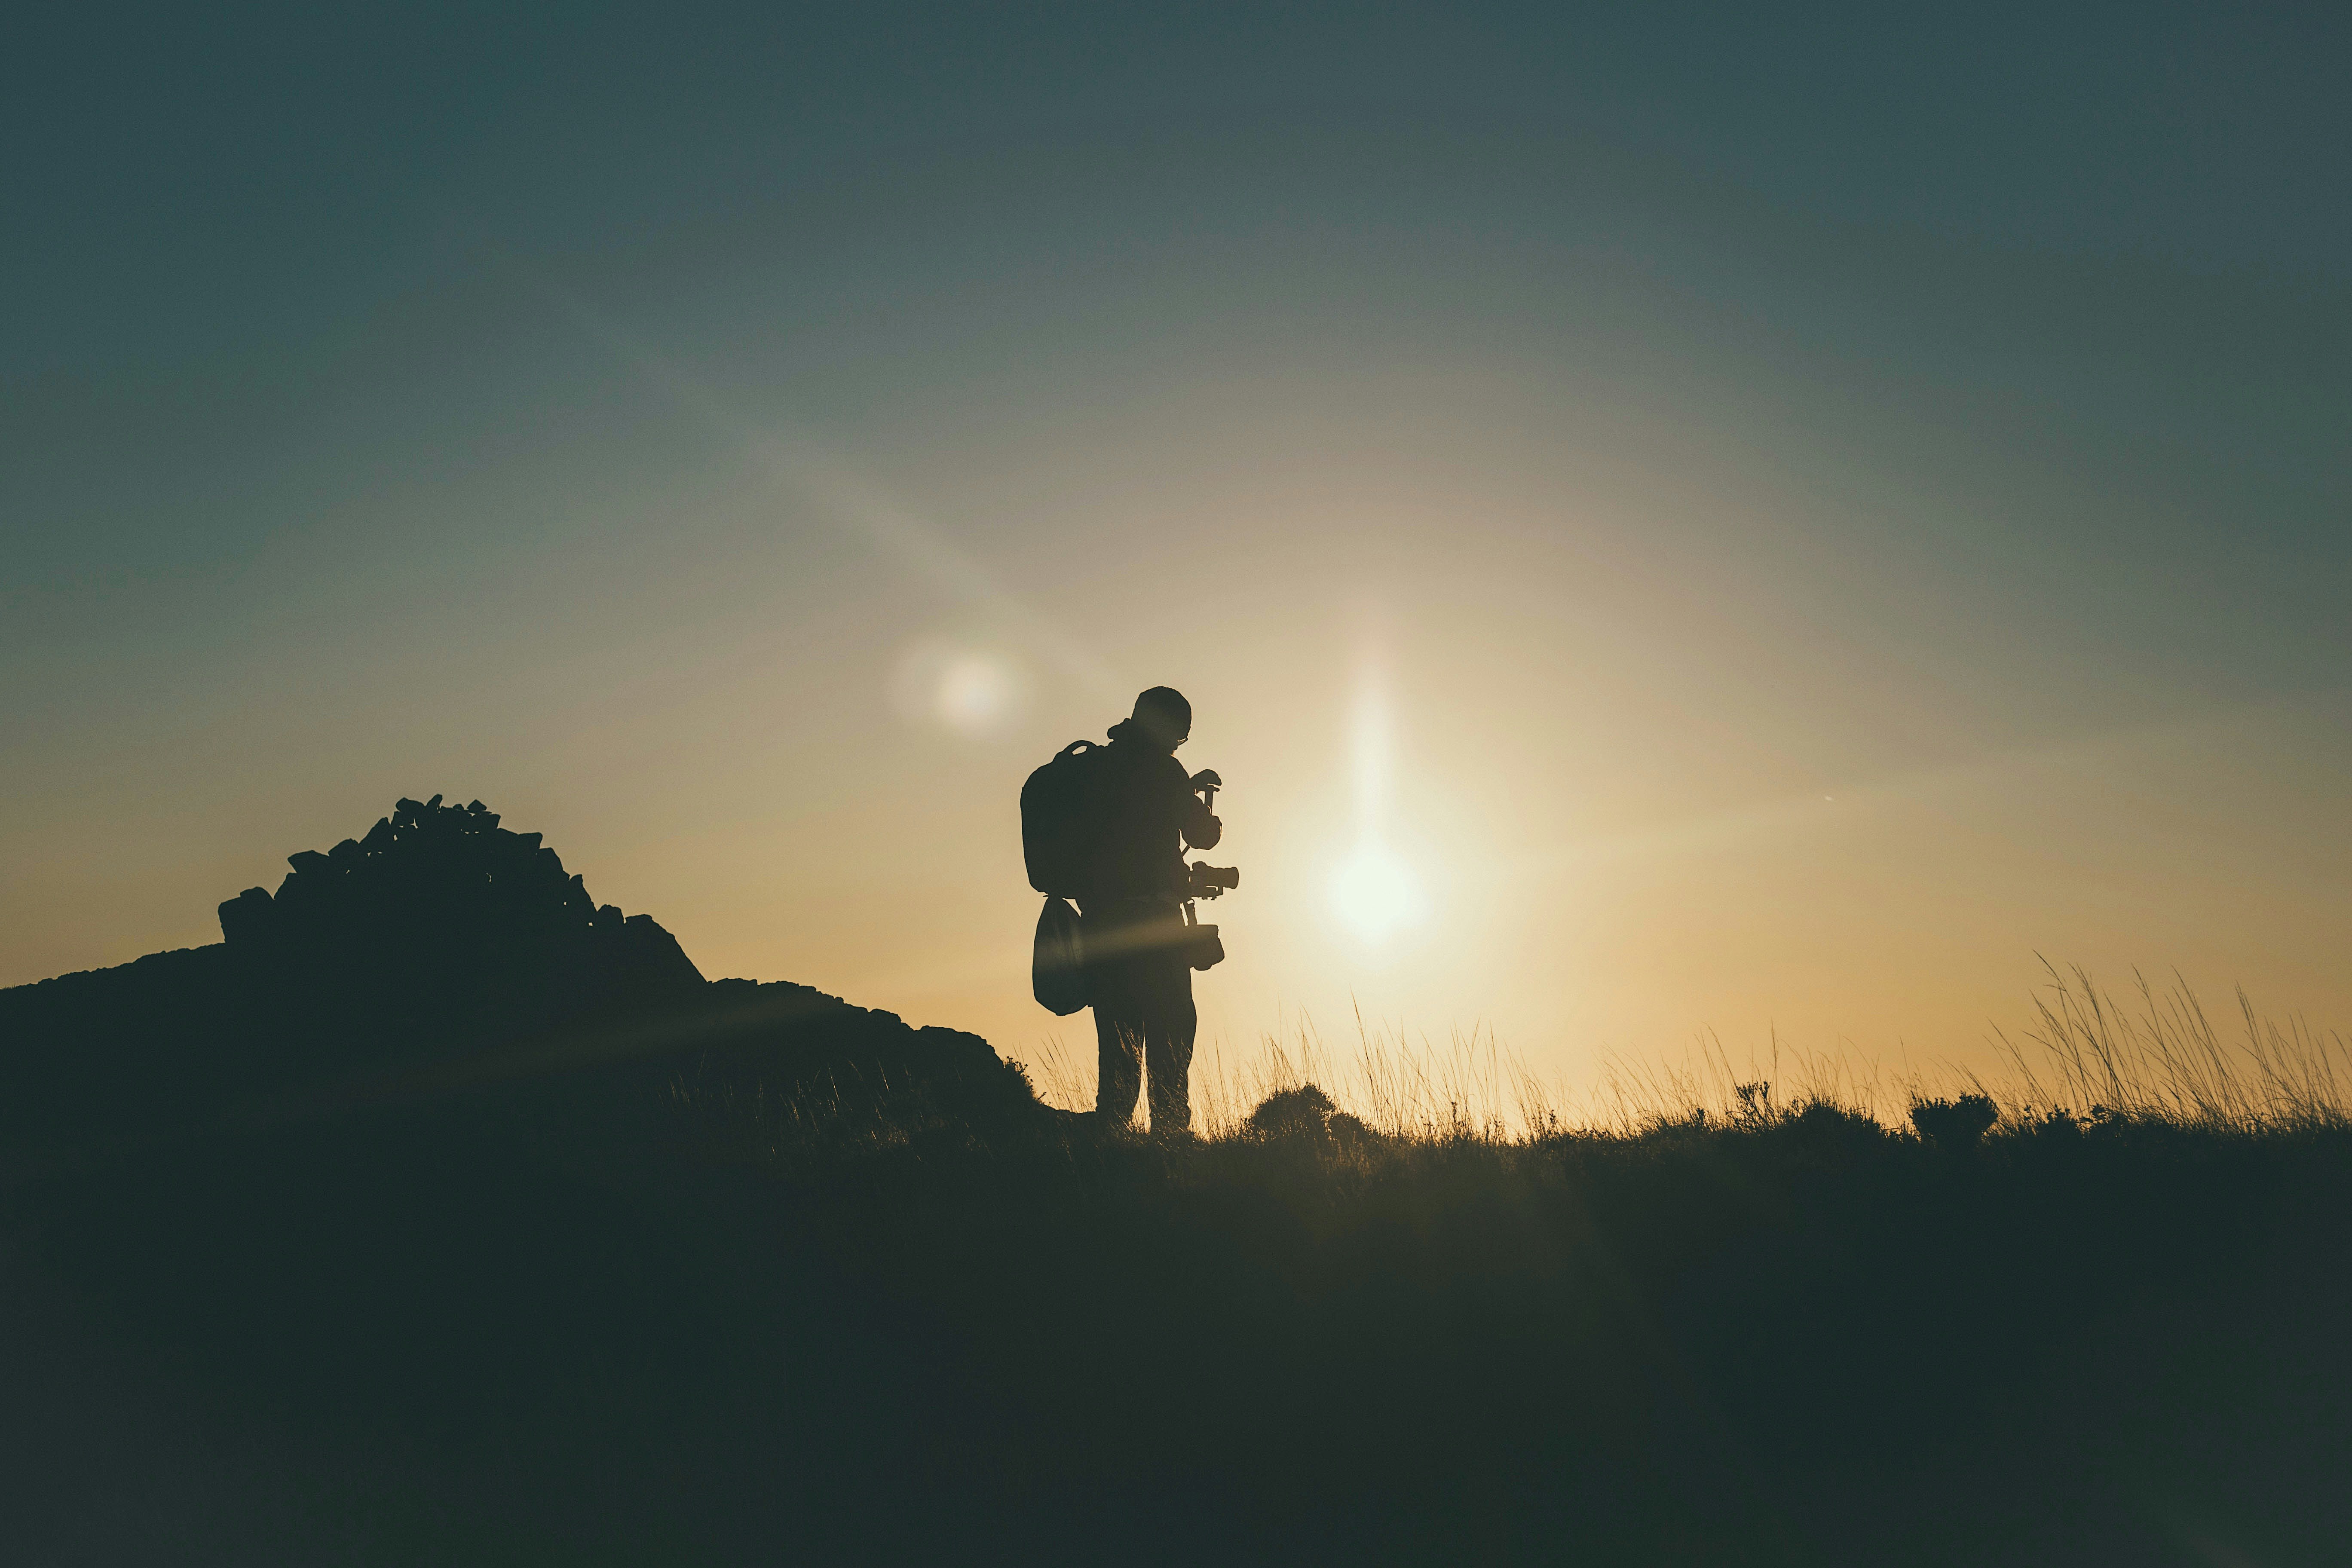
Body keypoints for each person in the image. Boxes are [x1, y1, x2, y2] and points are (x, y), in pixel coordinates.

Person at [1076, 686, 1221, 1134]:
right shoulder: (1164, 771)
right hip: (1153, 923)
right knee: (1172, 1028)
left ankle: (1111, 1136)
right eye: (1180, 734)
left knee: (1118, 1039)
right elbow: (1203, 835)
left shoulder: (1096, 768)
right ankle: (1171, 1136)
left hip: (1100, 927)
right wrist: (1207, 811)